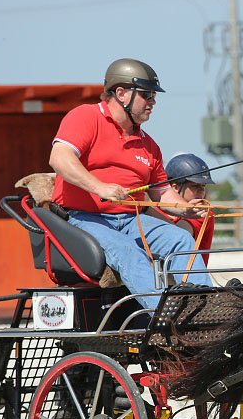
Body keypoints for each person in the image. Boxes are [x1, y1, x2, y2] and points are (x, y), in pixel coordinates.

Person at [48, 58, 213, 309]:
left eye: (153, 96)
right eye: (147, 95)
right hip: (84, 219)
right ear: (121, 93)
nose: (153, 102)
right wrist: (99, 187)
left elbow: (162, 194)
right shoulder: (85, 117)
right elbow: (59, 158)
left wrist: (186, 209)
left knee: (180, 240)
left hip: (130, 220)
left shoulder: (149, 145)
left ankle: (205, 308)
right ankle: (164, 316)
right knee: (128, 251)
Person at [147, 153, 216, 266]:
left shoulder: (202, 211)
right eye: (195, 186)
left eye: (203, 186)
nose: (201, 191)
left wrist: (146, 210)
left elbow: (178, 235)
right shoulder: (157, 211)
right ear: (175, 188)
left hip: (190, 280)